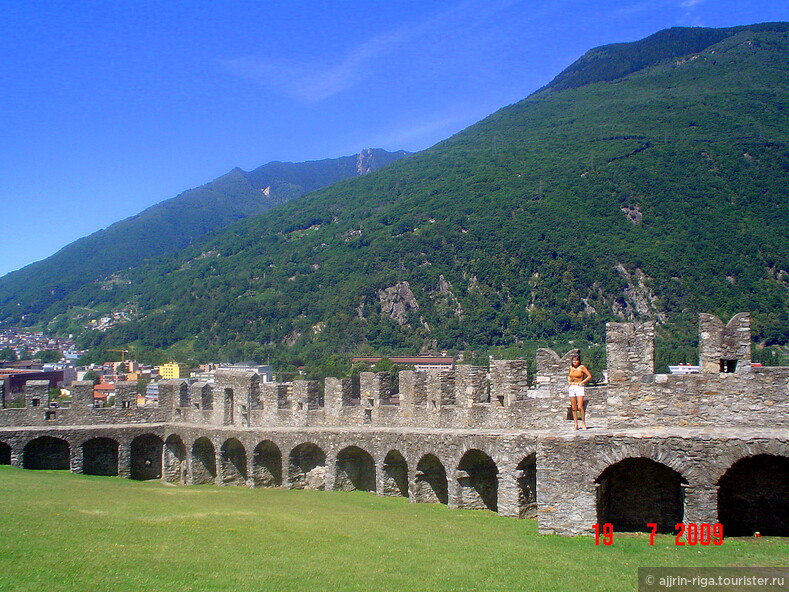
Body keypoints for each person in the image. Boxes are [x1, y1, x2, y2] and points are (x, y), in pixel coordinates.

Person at [568, 356, 592, 430]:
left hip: (579, 387)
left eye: (576, 361)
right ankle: (575, 424)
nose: (575, 362)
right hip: (572, 387)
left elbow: (589, 376)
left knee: (580, 406)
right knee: (574, 407)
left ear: (579, 361)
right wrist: (569, 381)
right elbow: (569, 376)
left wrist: (582, 382)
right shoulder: (570, 368)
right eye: (573, 361)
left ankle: (583, 423)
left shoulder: (581, 367)